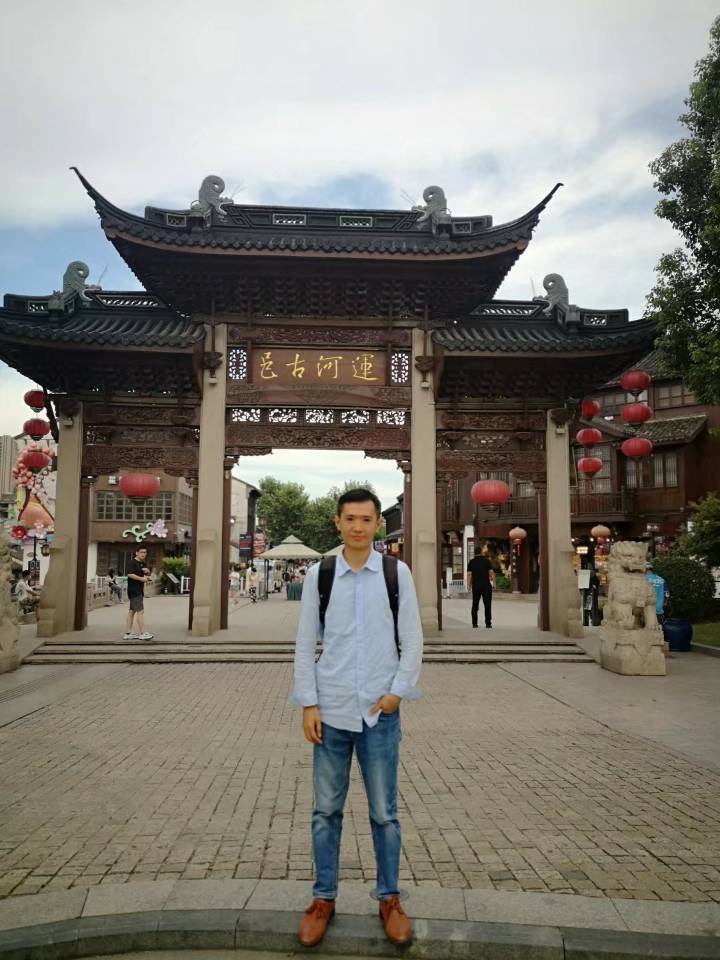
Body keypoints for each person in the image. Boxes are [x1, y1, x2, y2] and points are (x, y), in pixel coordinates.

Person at [292, 488, 423, 949]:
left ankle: (389, 898)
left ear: (377, 524)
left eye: (366, 519)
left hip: (378, 715)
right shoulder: (321, 574)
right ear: (338, 522)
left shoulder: (395, 573)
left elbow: (413, 638)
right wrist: (308, 704)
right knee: (325, 812)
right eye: (350, 518)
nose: (358, 527)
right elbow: (305, 641)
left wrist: (396, 694)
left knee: (384, 814)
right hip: (330, 712)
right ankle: (323, 898)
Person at [123, 547, 154, 641]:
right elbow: (129, 574)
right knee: (140, 611)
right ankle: (143, 633)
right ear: (136, 553)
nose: (143, 554)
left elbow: (144, 575)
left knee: (132, 611)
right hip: (134, 590)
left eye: (145, 552)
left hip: (139, 590)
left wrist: (148, 574)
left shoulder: (142, 563)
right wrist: (141, 579)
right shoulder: (132, 563)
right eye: (141, 552)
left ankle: (128, 633)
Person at [467, 549, 496, 628]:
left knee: (475, 604)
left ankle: (474, 623)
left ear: (474, 553)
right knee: (487, 604)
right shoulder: (486, 561)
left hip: (476, 586)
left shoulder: (471, 562)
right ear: (481, 552)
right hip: (486, 586)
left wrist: (468, 586)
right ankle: (488, 624)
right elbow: (491, 572)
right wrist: (494, 584)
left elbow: (469, 574)